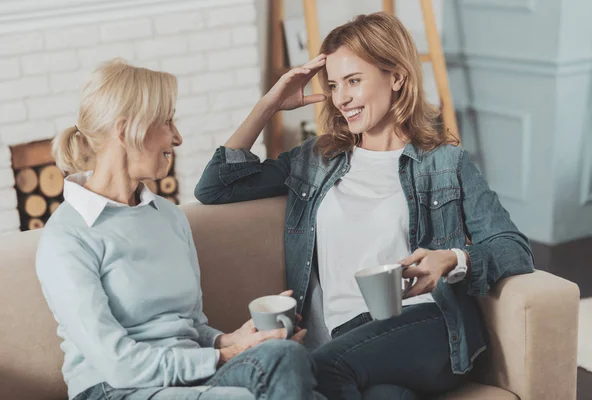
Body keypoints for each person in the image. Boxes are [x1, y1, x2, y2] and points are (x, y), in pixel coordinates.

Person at [195, 12, 535, 400]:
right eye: (335, 85)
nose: (341, 99)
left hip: (426, 325)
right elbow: (215, 188)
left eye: (354, 81)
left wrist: (452, 259)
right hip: (346, 337)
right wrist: (269, 104)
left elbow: (514, 248)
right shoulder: (316, 159)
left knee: (316, 368)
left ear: (396, 78)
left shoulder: (444, 163)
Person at [35, 59, 325, 400]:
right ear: (125, 130)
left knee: (284, 355)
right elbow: (118, 364)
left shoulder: (168, 217)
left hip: (189, 381)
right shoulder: (67, 238)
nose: (177, 137)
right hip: (114, 389)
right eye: (167, 121)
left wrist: (230, 340)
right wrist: (223, 356)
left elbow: (190, 327)